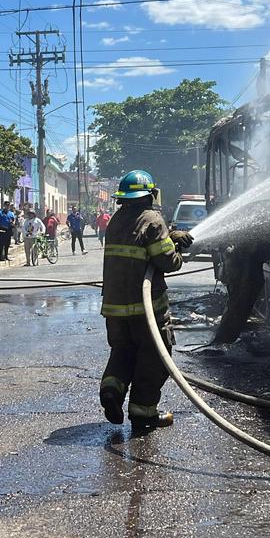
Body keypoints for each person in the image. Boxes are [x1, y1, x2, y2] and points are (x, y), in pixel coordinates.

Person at [98, 169, 193, 433]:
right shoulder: (152, 219)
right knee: (153, 360)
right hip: (147, 309)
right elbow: (167, 261)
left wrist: (169, 236)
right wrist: (175, 244)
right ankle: (144, 414)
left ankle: (111, 391)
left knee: (123, 353)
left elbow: (142, 245)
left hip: (115, 309)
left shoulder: (116, 220)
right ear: (150, 194)